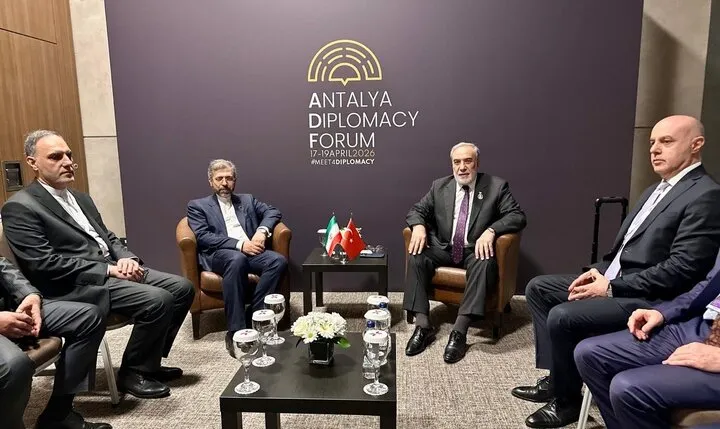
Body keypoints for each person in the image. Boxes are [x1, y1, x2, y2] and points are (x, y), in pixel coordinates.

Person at [511, 115, 720, 428]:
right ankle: (558, 379)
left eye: (666, 141)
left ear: (696, 145)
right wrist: (599, 272)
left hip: (650, 295)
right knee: (539, 288)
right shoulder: (655, 190)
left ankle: (566, 403)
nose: (654, 149)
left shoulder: (705, 194)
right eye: (652, 142)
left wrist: (611, 287)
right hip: (616, 278)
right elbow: (624, 250)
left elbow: (682, 270)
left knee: (564, 316)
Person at [1, 130, 195, 401]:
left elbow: (108, 237)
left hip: (110, 268)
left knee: (183, 288)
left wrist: (127, 258)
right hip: (74, 284)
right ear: (32, 162)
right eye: (56, 157)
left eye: (68, 155)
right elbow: (43, 263)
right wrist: (108, 270)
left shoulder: (81, 198)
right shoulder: (20, 207)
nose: (67, 162)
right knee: (158, 299)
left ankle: (148, 362)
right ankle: (134, 373)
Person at [403, 142, 527, 363]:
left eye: (467, 161)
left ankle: (459, 331)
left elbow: (517, 216)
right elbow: (417, 210)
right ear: (452, 165)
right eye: (457, 162)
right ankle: (423, 326)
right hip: (445, 247)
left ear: (476, 163)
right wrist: (419, 226)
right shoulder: (440, 186)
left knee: (485, 261)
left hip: (474, 250)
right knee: (417, 255)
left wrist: (491, 230)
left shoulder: (496, 187)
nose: (462, 167)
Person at [575, 253, 720, 429]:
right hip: (704, 324)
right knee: (590, 354)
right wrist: (663, 312)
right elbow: (709, 284)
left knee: (627, 388)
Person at [186, 159, 286, 357]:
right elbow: (203, 236)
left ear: (235, 181)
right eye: (219, 179)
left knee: (278, 261)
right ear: (211, 182)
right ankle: (235, 331)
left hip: (250, 251)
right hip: (220, 254)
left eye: (229, 178)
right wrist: (240, 244)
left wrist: (261, 232)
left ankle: (254, 315)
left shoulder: (247, 200)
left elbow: (273, 212)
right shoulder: (197, 205)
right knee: (236, 259)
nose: (224, 183)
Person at [0, 257, 111, 429]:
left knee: (88, 318)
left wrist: (30, 295)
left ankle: (59, 415)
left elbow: (2, 264)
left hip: (9, 306)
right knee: (15, 366)